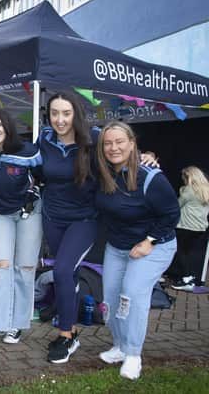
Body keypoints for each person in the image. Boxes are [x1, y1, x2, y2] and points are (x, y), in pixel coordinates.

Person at [95, 121, 179, 380]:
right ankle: (120, 346)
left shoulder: (151, 177)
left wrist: (149, 241)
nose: (113, 147)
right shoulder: (102, 173)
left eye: (120, 141)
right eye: (108, 143)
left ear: (132, 144)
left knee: (131, 295)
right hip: (118, 246)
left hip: (154, 246)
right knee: (110, 298)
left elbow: (171, 214)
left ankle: (133, 355)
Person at [37, 92, 101, 363]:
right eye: (54, 113)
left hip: (84, 219)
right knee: (67, 275)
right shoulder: (43, 139)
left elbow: (120, 150)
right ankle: (70, 326)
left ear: (76, 113)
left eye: (66, 113)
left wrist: (147, 156)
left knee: (62, 270)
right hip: (52, 216)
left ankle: (66, 334)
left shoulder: (94, 139)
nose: (60, 120)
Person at [0, 109, 43, 351]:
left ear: (7, 126)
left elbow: (46, 176)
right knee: (1, 268)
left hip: (30, 213)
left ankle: (17, 323)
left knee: (25, 269)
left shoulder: (29, 151)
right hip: (0, 215)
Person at [169, 166, 209, 291]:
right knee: (186, 253)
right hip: (200, 228)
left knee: (179, 252)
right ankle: (190, 277)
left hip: (185, 226)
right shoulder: (206, 190)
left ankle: (186, 279)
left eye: (184, 178)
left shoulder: (188, 190)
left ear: (189, 177)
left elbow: (177, 205)